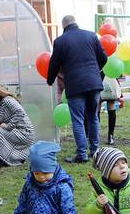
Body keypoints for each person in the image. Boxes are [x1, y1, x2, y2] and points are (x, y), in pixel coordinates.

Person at [46, 15, 109, 163]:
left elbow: (54, 64)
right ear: (75, 22)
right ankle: (95, 151)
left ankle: (82, 154)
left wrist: (50, 80)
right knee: (93, 117)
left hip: (75, 86)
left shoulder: (60, 41)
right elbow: (104, 57)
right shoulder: (91, 36)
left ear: (64, 26)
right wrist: (94, 71)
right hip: (94, 84)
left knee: (78, 120)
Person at [0, 81, 36, 168]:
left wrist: (8, 126)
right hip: (13, 133)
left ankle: (1, 163)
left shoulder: (7, 100)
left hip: (24, 133)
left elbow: (20, 113)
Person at [100, 74, 124, 145]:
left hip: (100, 78)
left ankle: (95, 136)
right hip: (111, 78)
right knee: (111, 105)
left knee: (98, 106)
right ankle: (110, 136)